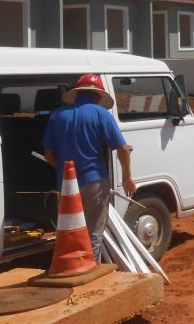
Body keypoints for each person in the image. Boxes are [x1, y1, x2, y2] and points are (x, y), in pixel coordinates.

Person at [42, 73, 136, 262]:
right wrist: (127, 177)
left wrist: (65, 173)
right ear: (97, 96)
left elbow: (48, 154)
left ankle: (70, 270)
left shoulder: (58, 115)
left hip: (67, 187)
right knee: (92, 232)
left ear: (77, 93)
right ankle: (89, 271)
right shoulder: (101, 114)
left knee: (71, 233)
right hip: (94, 182)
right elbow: (123, 149)